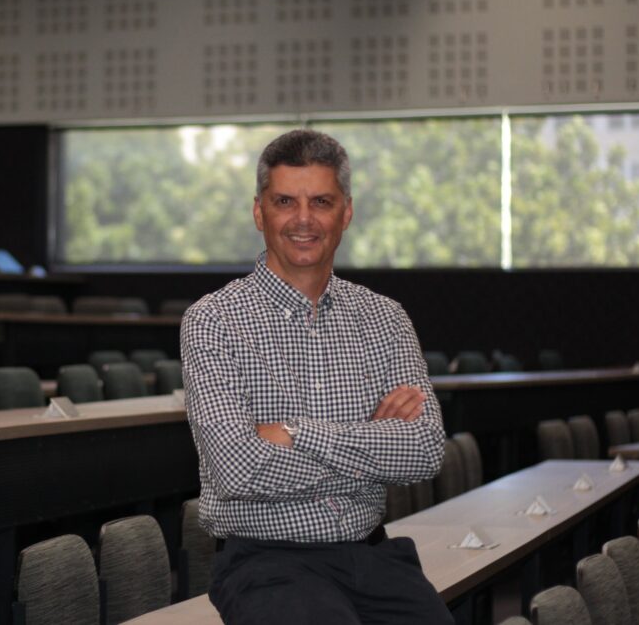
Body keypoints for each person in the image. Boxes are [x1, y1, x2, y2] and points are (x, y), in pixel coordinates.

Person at [181, 129, 452, 624]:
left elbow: (425, 449)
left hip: (373, 555)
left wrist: (295, 434)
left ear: (345, 213)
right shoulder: (214, 320)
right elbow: (236, 469)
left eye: (321, 202)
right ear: (259, 212)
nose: (303, 219)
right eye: (285, 201)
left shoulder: (386, 319)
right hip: (266, 562)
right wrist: (371, 446)